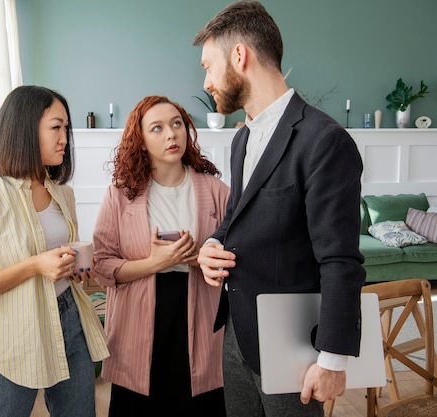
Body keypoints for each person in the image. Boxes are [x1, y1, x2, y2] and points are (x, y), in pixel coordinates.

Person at [192, 1, 366, 416]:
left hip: (294, 345)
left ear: (239, 56)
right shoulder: (241, 140)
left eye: (207, 66)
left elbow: (341, 260)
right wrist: (211, 246)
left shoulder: (324, 141)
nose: (207, 81)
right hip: (236, 335)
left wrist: (332, 359)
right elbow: (236, 217)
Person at [0, 85, 109, 417]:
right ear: (24, 128)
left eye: (67, 128)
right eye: (55, 127)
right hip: (12, 335)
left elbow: (60, 256)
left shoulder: (63, 193)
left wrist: (76, 270)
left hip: (69, 319)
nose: (65, 137)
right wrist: (36, 265)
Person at [92, 95, 230, 417]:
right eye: (157, 128)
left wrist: (197, 257)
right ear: (140, 141)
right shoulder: (121, 194)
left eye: (177, 124)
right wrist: (156, 263)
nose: (171, 134)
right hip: (138, 318)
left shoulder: (216, 191)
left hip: (200, 313)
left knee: (200, 403)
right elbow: (102, 265)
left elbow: (238, 255)